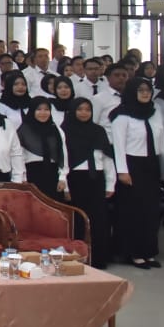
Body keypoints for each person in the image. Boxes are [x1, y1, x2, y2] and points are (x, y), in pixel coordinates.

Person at [111, 77, 164, 268]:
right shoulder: (122, 116)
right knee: (134, 211)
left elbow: (161, 141)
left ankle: (148, 251)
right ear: (132, 92)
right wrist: (122, 171)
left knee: (151, 211)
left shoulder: (155, 112)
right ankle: (133, 252)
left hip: (151, 164)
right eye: (140, 90)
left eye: (148, 90)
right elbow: (118, 146)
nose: (145, 93)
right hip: (131, 165)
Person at [61, 97, 114, 268]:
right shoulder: (66, 130)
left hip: (96, 179)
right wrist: (65, 185)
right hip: (76, 179)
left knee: (98, 219)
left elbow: (107, 158)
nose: (84, 113)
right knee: (78, 219)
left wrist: (110, 183)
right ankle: (78, 257)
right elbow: (63, 160)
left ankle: (98, 258)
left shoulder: (98, 130)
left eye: (87, 110)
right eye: (80, 109)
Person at [15, 96, 67, 200]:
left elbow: (63, 154)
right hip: (32, 174)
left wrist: (62, 178)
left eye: (46, 109)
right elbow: (19, 156)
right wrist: (23, 178)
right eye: (39, 109)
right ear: (32, 110)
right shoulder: (24, 130)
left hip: (52, 174)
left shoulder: (56, 130)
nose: (43, 113)